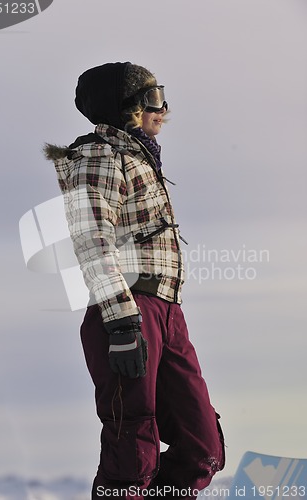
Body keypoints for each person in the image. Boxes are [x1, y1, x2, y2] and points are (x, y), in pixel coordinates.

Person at [44, 62, 225, 499]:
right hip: (126, 310)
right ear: (127, 108)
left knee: (203, 447)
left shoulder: (138, 157)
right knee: (134, 444)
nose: (163, 108)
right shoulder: (99, 155)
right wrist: (122, 322)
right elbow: (93, 240)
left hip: (167, 308)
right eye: (153, 98)